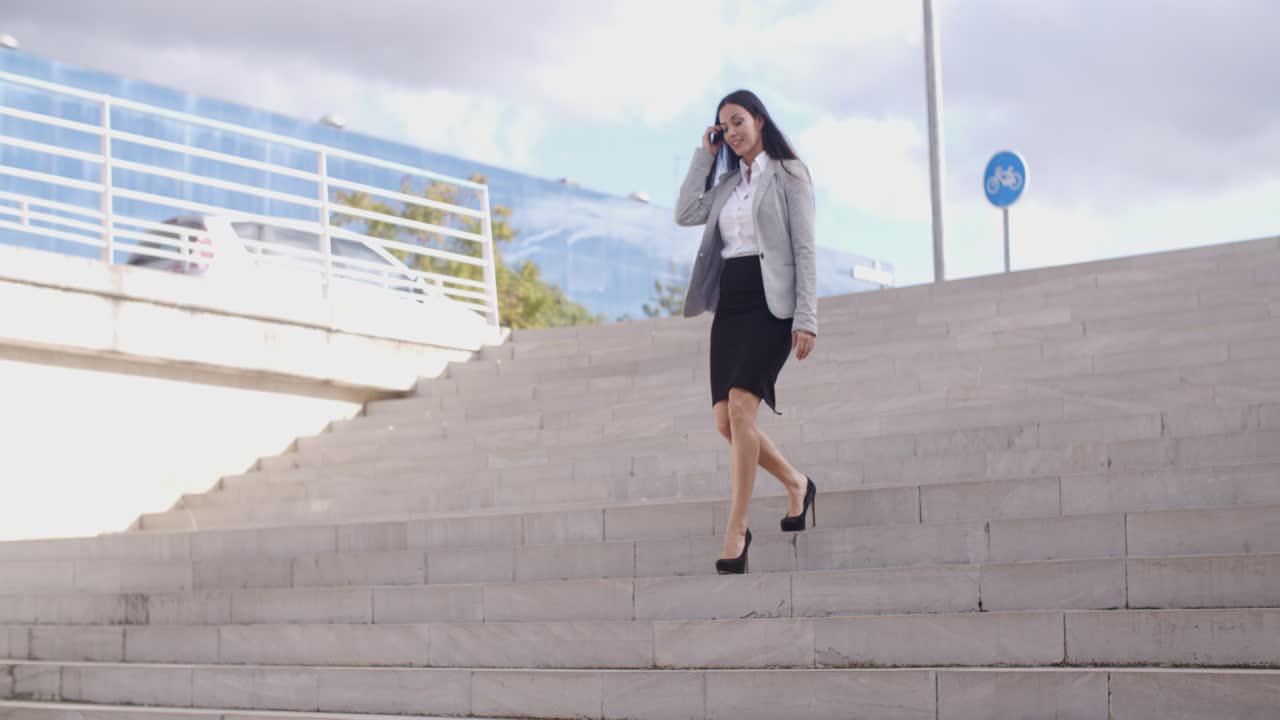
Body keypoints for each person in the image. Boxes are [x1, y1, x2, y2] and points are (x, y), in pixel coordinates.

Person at [675, 89, 819, 575]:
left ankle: (736, 529)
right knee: (726, 422)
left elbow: (804, 250)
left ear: (759, 119)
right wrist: (705, 155)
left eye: (738, 121)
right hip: (730, 305)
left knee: (741, 408)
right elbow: (684, 213)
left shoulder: (789, 174)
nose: (733, 132)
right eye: (724, 126)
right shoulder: (727, 184)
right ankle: (797, 483)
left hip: (770, 304)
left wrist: (806, 317)